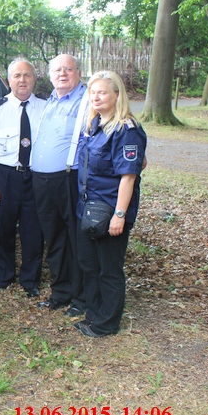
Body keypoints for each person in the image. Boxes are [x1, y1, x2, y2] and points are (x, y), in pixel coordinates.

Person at [73, 71, 146, 337]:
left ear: (117, 95)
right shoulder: (94, 126)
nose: (96, 97)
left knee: (109, 269)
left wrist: (120, 215)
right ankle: (94, 315)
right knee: (89, 265)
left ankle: (107, 324)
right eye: (92, 92)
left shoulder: (126, 130)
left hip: (110, 211)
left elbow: (129, 177)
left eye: (102, 92)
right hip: (89, 209)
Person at [0, 58, 45, 297]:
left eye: (27, 75)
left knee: (33, 229)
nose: (22, 80)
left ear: (34, 79)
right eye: (17, 76)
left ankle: (30, 280)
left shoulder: (46, 109)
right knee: (1, 228)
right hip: (6, 175)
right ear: (9, 80)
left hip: (35, 176)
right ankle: (2, 277)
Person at [30, 54, 88, 316]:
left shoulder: (87, 100)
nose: (62, 74)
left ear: (78, 72)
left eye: (68, 69)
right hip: (42, 180)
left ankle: (81, 297)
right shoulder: (50, 100)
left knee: (76, 240)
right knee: (54, 239)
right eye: (57, 70)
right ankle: (60, 292)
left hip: (69, 178)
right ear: (50, 75)